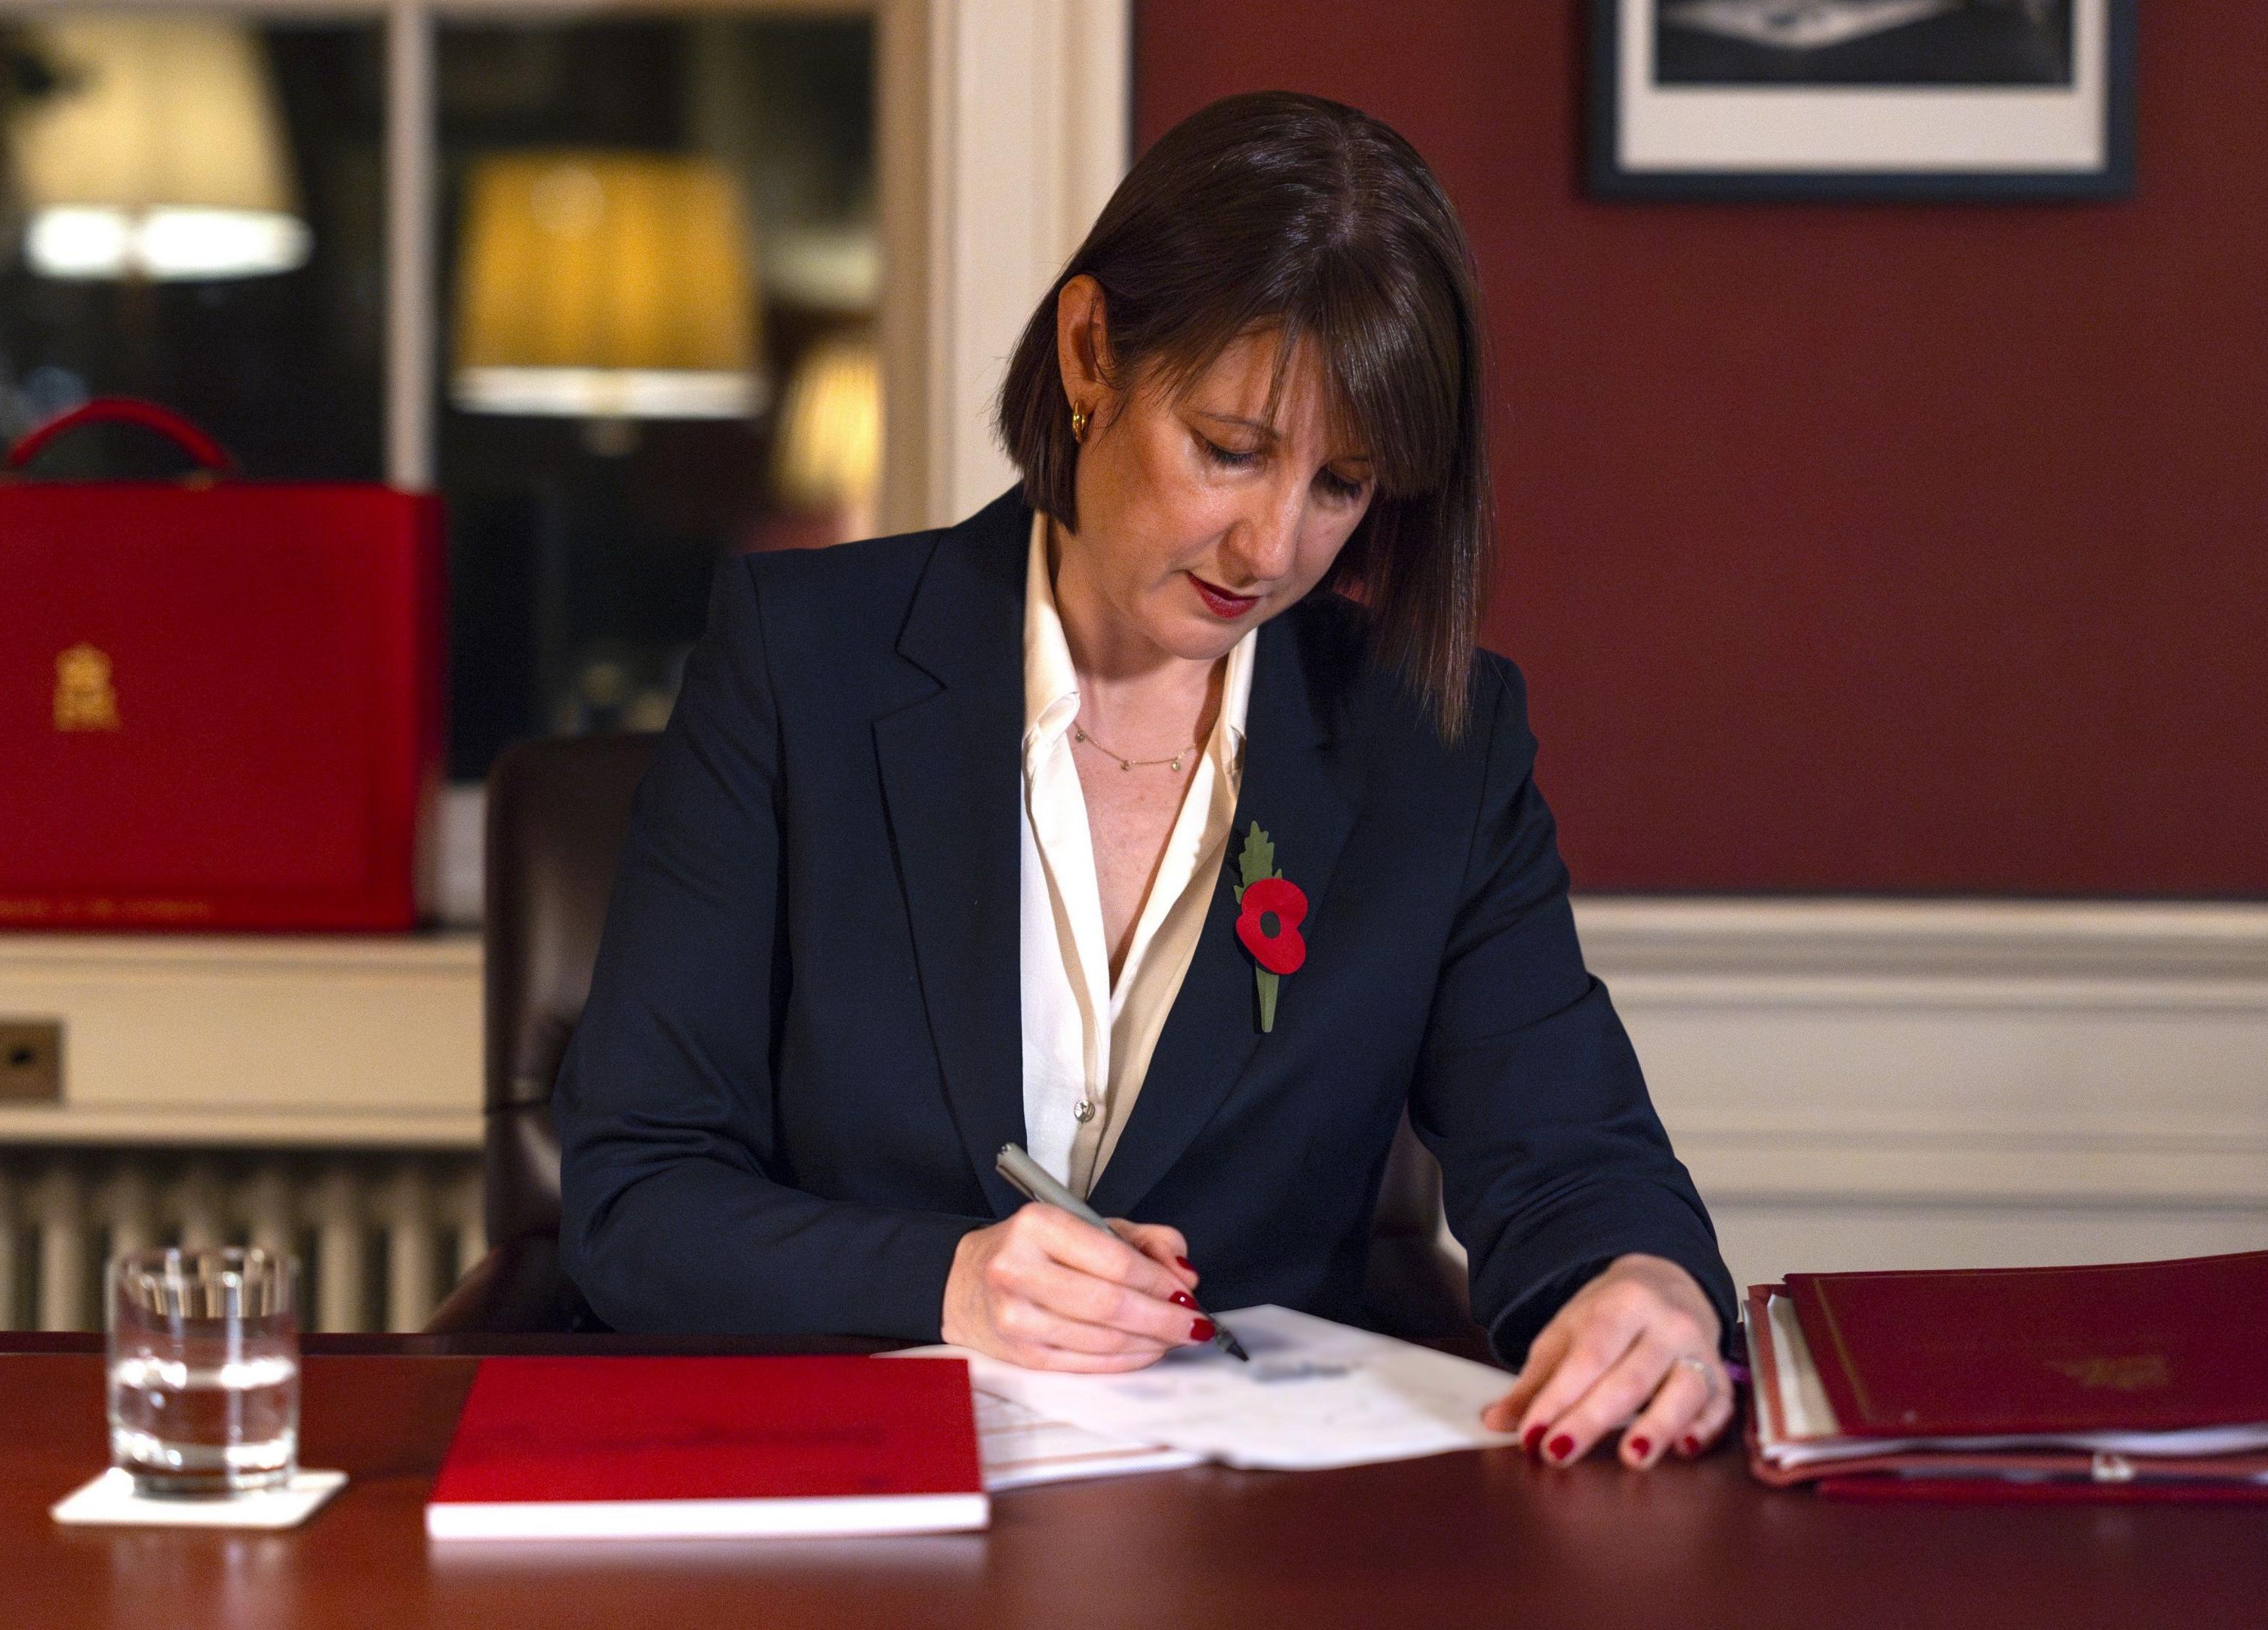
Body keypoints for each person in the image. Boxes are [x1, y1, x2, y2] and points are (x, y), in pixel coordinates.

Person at [558, 91, 1737, 1469]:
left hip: (1254, 1543)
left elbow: (1575, 1159)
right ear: (1090, 352)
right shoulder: (797, 661)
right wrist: (942, 1282)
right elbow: (636, 1197)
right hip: (859, 1512)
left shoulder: (1437, 748)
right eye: (1231, 450)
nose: (1273, 544)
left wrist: (1644, 1286)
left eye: (1343, 485)